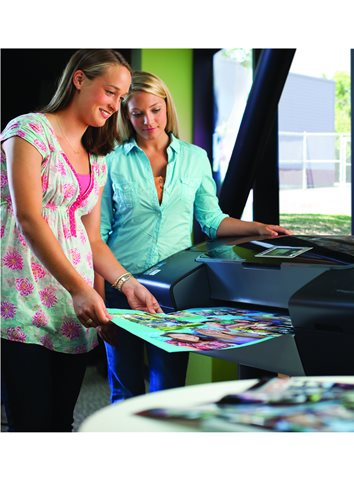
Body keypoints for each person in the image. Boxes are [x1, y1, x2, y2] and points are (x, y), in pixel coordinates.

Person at [100, 71, 291, 403]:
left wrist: (258, 228)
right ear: (125, 115)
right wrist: (99, 297)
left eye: (155, 110)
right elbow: (97, 234)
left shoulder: (194, 158)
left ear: (167, 107)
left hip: (172, 289)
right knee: (125, 387)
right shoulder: (111, 162)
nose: (148, 121)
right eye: (137, 113)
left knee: (169, 386)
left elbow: (212, 222)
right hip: (121, 286)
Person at [0, 50, 163, 432]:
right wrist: (79, 288)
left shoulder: (97, 157)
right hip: (22, 301)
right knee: (31, 426)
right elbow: (29, 218)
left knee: (61, 423)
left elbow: (91, 239)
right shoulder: (29, 131)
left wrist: (127, 284)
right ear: (79, 80)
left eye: (121, 98)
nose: (115, 105)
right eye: (110, 92)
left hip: (72, 310)